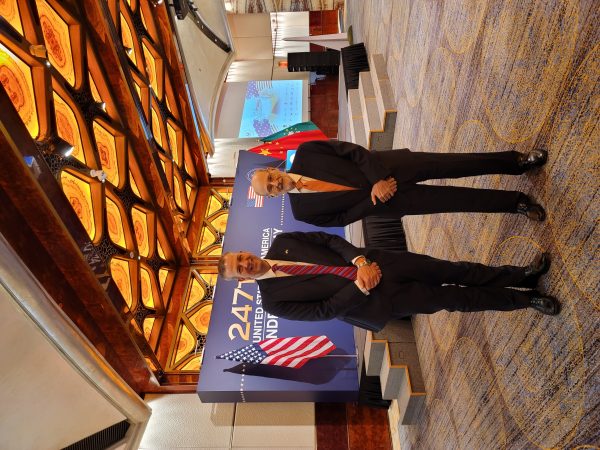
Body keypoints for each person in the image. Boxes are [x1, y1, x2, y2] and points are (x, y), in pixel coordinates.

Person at [218, 231, 559, 332]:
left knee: (456, 271)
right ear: (242, 280)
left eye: (241, 258)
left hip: (382, 263)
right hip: (376, 299)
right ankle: (525, 300)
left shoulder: (282, 242)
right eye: (240, 269)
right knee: (455, 299)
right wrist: (359, 284)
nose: (246, 264)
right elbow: (323, 312)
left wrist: (360, 261)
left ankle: (522, 275)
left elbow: (329, 241)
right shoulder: (273, 302)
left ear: (245, 251)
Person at [250, 140, 548, 227]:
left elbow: (352, 152)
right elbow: (342, 218)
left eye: (271, 178)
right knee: (457, 200)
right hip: (389, 201)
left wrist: (377, 179)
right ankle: (517, 204)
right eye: (271, 189)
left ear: (273, 169)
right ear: (274, 196)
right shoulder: (302, 212)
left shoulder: (306, 153)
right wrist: (376, 196)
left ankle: (517, 162)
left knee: (457, 164)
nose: (276, 184)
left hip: (391, 166)